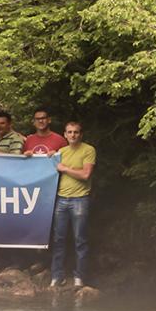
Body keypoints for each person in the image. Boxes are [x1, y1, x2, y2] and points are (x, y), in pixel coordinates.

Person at [51, 122, 96, 288]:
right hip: (61, 199)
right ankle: (57, 276)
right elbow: (47, 166)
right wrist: (46, 157)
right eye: (69, 132)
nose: (73, 135)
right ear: (65, 134)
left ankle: (79, 277)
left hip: (80, 199)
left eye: (76, 132)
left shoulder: (88, 150)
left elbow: (85, 175)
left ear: (81, 134)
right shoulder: (61, 152)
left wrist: (64, 169)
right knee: (58, 239)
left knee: (80, 240)